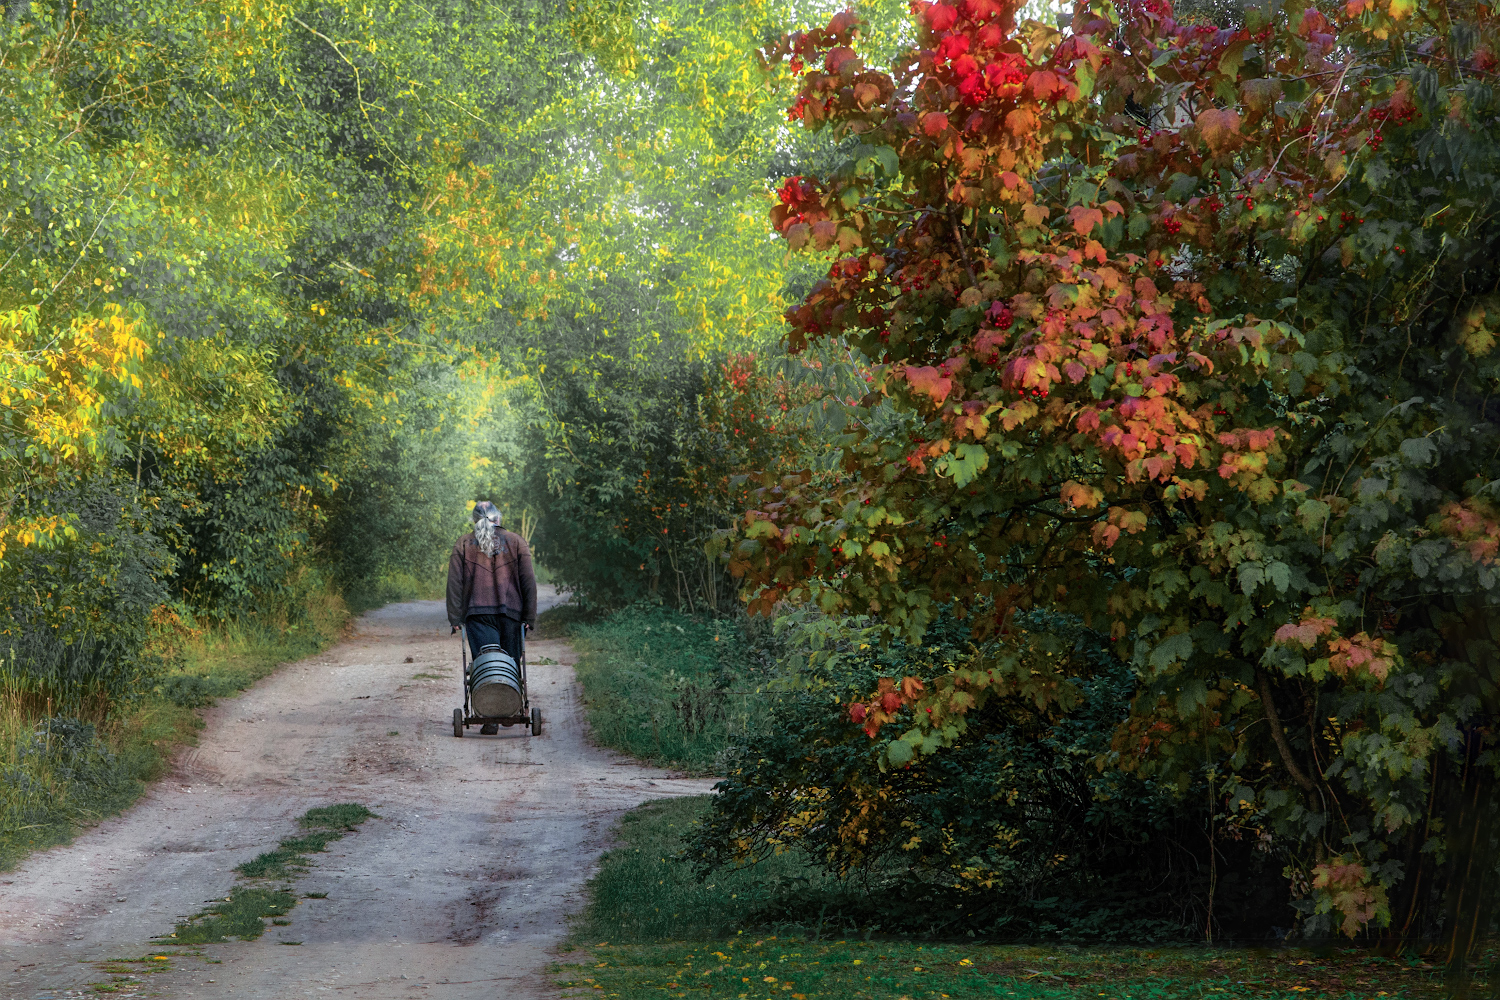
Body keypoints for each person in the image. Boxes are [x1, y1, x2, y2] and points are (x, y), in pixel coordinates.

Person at [446, 501, 538, 734]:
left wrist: (455, 617)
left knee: (487, 662)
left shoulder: (464, 543)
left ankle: (490, 717)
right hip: (512, 614)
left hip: (478, 613)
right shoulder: (517, 541)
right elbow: (529, 582)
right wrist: (530, 616)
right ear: (499, 518)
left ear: (474, 520)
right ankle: (510, 709)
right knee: (510, 663)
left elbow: (454, 584)